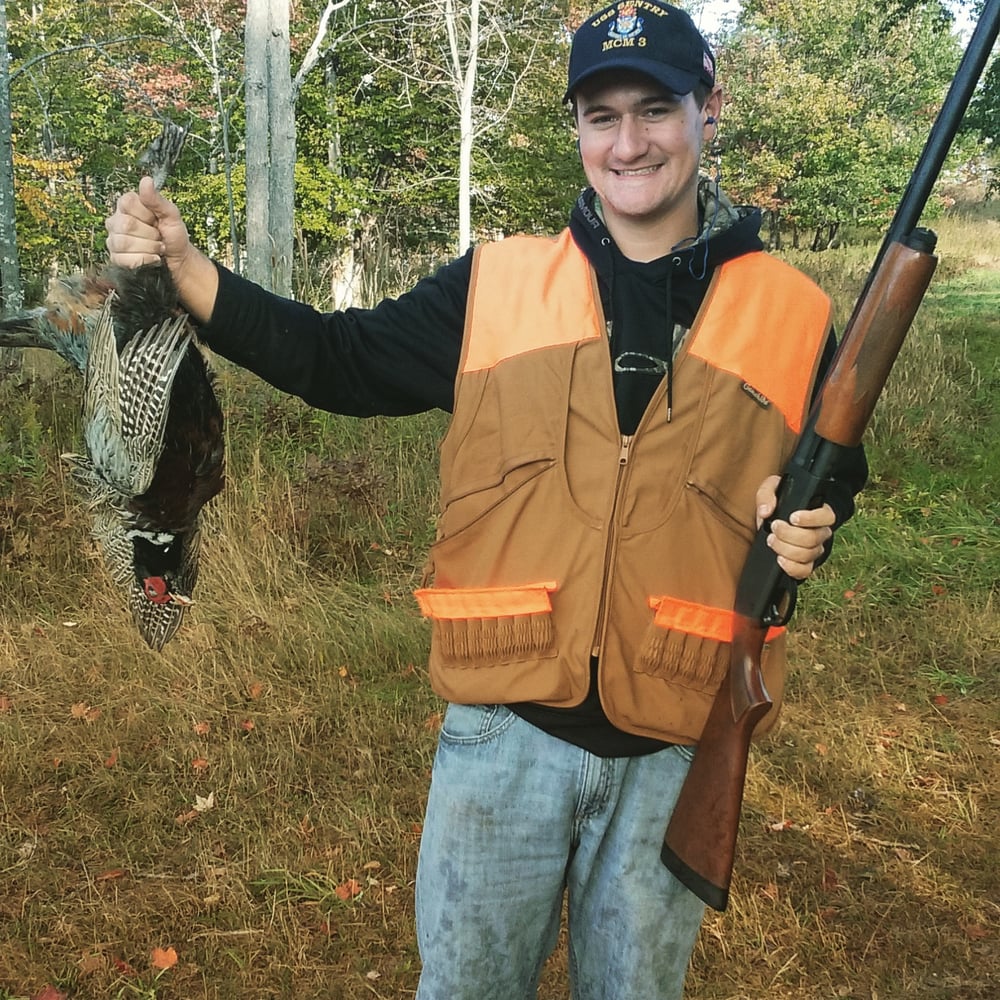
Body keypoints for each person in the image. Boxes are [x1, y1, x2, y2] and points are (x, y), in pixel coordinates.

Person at [106, 2, 868, 996]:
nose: (628, 143)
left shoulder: (798, 311)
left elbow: (830, 469)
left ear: (706, 109)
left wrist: (815, 516)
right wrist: (186, 270)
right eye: (601, 116)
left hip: (679, 738)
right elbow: (340, 362)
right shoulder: (497, 285)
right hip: (502, 732)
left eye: (655, 110)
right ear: (578, 129)